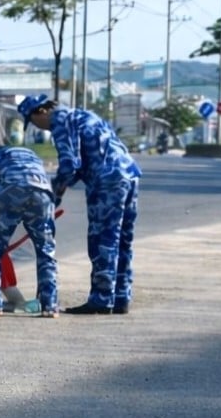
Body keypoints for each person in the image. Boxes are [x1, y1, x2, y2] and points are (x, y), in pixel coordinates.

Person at [18, 94, 141, 315]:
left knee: (103, 239)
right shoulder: (82, 114)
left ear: (41, 111)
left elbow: (70, 165)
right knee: (123, 239)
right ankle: (121, 296)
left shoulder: (60, 121)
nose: (39, 127)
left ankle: (101, 299)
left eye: (33, 121)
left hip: (107, 181)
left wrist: (54, 193)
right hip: (129, 175)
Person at [0, 144, 59, 318]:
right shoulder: (32, 154)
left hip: (9, 190)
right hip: (43, 193)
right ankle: (50, 305)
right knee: (46, 251)